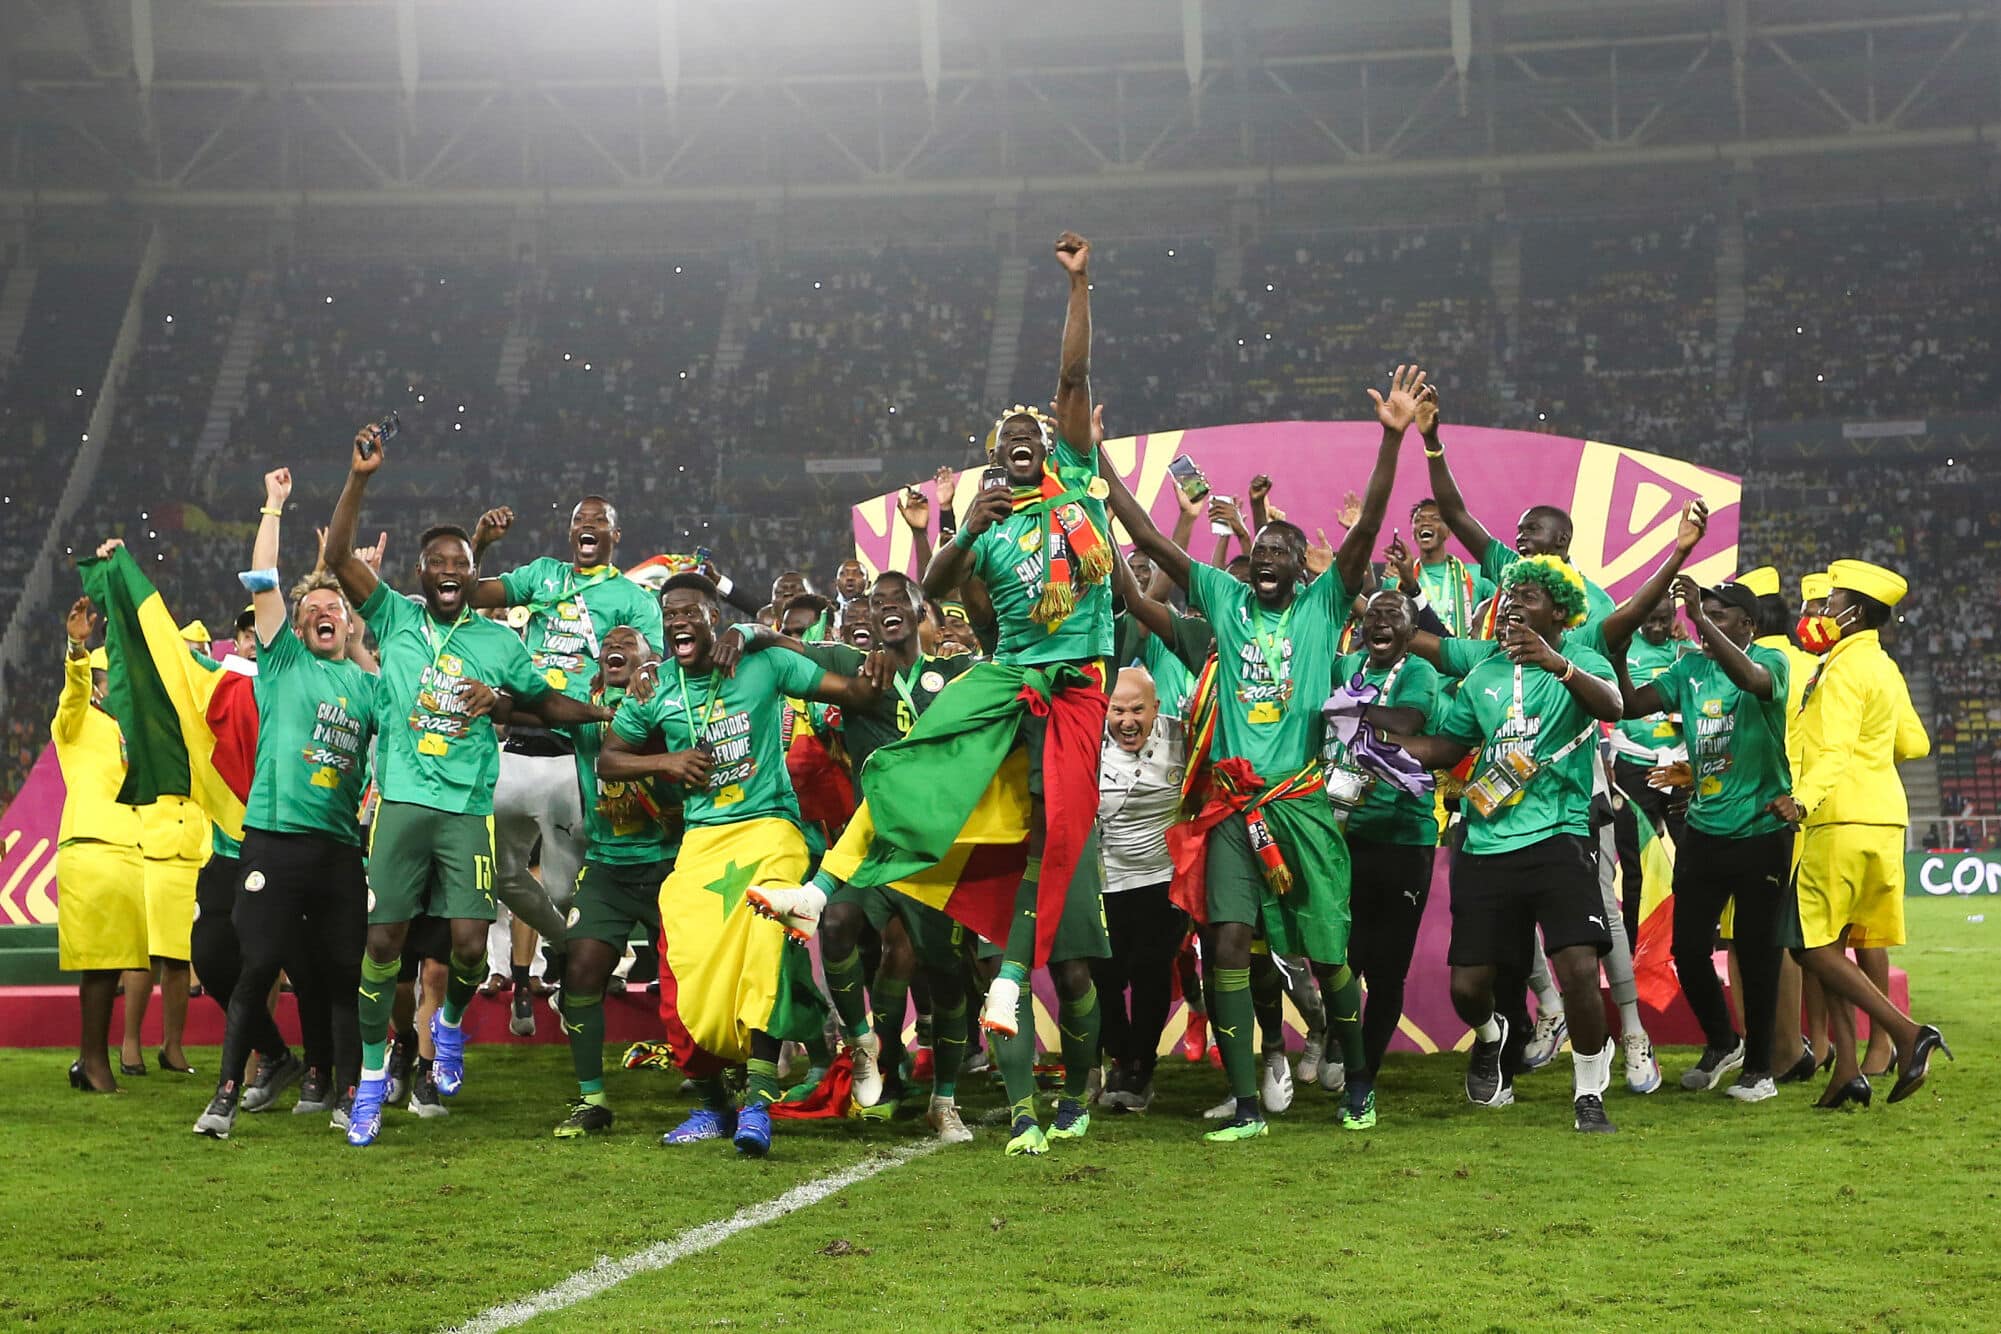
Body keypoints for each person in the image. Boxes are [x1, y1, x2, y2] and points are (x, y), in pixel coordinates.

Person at [753, 232, 1114, 1159]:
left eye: (1034, 440)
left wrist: (1077, 288)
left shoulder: (1076, 479)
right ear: (996, 463)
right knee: (909, 759)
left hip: (1075, 685)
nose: (1026, 449)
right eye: (1009, 448)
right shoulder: (988, 534)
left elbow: (1071, 381)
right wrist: (964, 525)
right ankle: (824, 891)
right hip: (1011, 677)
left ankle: (1033, 1026)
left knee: (1062, 842)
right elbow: (942, 588)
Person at [1102, 365, 1424, 1140]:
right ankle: (1247, 1105)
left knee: (1326, 956)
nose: (1273, 554)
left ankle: (1357, 1081)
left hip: (1302, 806)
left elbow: (1369, 522)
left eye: (1284, 545)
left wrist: (1391, 436)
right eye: (1264, 548)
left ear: (1302, 568)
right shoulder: (1220, 598)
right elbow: (1145, 540)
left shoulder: (1321, 606)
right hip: (1228, 808)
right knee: (1226, 944)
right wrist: (1096, 461)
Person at [321, 420, 615, 1148]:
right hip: (403, 803)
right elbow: (333, 556)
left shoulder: (498, 640)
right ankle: (366, 1083)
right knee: (384, 941)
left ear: (469, 574)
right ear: (422, 573)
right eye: (438, 563)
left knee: (461, 945)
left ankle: (448, 1026)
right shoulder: (391, 617)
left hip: (465, 810)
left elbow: (542, 703)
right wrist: (360, 479)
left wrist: (602, 708)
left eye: (460, 563)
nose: (450, 571)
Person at [601, 573, 878, 1157]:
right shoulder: (655, 687)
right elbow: (609, 759)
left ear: (713, 617)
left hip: (770, 831)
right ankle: (711, 1104)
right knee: (682, 977)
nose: (679, 621)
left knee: (765, 948)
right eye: (669, 613)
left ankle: (757, 1100)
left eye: (691, 612)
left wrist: (757, 632)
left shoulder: (761, 664)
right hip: (702, 842)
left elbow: (848, 692)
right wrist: (666, 761)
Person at [1386, 555, 1627, 1133]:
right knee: (1468, 986)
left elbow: (1614, 707)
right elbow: (1450, 747)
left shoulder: (1583, 659)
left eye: (1529, 598)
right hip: (1488, 840)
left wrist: (1559, 666)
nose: (1513, 603)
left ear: (1559, 613)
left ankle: (1589, 1090)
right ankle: (1491, 1035)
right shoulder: (1487, 673)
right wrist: (1383, 748)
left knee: (1576, 967)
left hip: (1560, 835)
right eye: (1509, 595)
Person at [736, 575, 981, 1142]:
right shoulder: (856, 664)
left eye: (898, 601)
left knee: (946, 985)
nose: (886, 609)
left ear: (922, 611)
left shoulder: (960, 674)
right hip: (873, 848)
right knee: (837, 922)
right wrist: (745, 631)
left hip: (934, 857)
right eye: (876, 604)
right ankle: (863, 1039)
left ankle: (943, 1102)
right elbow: (788, 646)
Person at [195, 467, 379, 1139]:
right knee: (258, 964)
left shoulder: (365, 685)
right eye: (311, 612)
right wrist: (272, 505)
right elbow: (264, 581)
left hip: (336, 849)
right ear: (293, 628)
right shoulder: (280, 664)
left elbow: (397, 703)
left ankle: (347, 1092)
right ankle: (223, 1096)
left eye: (333, 610)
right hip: (272, 838)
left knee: (340, 971)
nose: (321, 615)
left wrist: (357, 600)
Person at [469, 496, 665, 1032]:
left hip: (574, 751)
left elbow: (654, 666)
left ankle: (578, 953)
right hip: (516, 741)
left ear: (615, 536)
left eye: (599, 521)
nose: (587, 527)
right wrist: (481, 543)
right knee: (495, 878)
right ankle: (566, 949)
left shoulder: (631, 598)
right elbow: (467, 593)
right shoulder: (542, 576)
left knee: (557, 889)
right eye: (579, 520)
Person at [1771, 559, 1949, 1107]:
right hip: (1885, 819)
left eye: (1831, 602)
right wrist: (1877, 750)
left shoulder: (1841, 670)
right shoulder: (1885, 667)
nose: (1821, 611)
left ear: (1855, 612)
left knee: (1807, 943)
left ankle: (1907, 1032)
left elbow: (1835, 750)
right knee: (1838, 942)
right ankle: (1846, 1070)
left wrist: (1802, 798)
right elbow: (1915, 743)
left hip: (1837, 818)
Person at [1616, 576, 1792, 1103]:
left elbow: (1754, 681)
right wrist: (1620, 654)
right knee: (1688, 949)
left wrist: (1700, 620)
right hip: (1705, 829)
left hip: (1762, 830)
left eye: (1718, 612)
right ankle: (1723, 1041)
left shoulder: (1771, 661)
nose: (1705, 618)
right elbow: (1629, 705)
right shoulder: (1689, 668)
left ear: (1748, 624)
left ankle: (1759, 1070)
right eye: (1703, 609)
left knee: (1757, 954)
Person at [537, 626, 678, 1139]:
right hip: (607, 865)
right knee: (581, 970)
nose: (615, 648)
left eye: (629, 643)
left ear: (650, 658)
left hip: (670, 862)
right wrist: (599, 710)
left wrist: (654, 682)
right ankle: (592, 1098)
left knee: (699, 974)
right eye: (608, 645)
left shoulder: (667, 693)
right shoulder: (585, 703)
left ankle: (724, 1074)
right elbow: (540, 706)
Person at [1328, 588, 1443, 1098]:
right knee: (1341, 955)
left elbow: (1407, 723)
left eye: (1393, 615)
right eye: (1373, 612)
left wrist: (1348, 710)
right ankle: (1336, 1041)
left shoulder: (1418, 671)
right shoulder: (1348, 666)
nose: (1380, 621)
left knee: (1387, 966)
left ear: (1410, 631)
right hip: (1344, 833)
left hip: (1403, 840)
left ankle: (1362, 1075)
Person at [52, 596, 147, 1093]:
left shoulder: (121, 730)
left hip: (126, 851)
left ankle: (90, 1059)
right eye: (112, 681)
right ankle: (94, 1063)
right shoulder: (76, 720)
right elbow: (71, 692)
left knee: (111, 967)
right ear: (97, 684)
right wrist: (77, 649)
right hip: (91, 848)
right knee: (98, 964)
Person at [1092, 665, 1190, 1113]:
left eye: (1137, 710)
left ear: (1156, 709)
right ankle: (1120, 1057)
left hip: (1162, 880)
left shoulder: (1183, 738)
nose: (1127, 721)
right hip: (1103, 880)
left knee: (1151, 971)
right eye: (1117, 710)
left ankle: (1141, 1069)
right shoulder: (1087, 743)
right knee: (1106, 977)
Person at [1606, 596, 1688, 948]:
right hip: (1633, 767)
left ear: (1675, 617)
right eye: (1649, 620)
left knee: (1691, 857)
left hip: (1680, 768)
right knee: (1635, 863)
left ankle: (1687, 942)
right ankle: (1634, 946)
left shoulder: (1688, 651)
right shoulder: (1621, 650)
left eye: (1664, 620)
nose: (1656, 627)